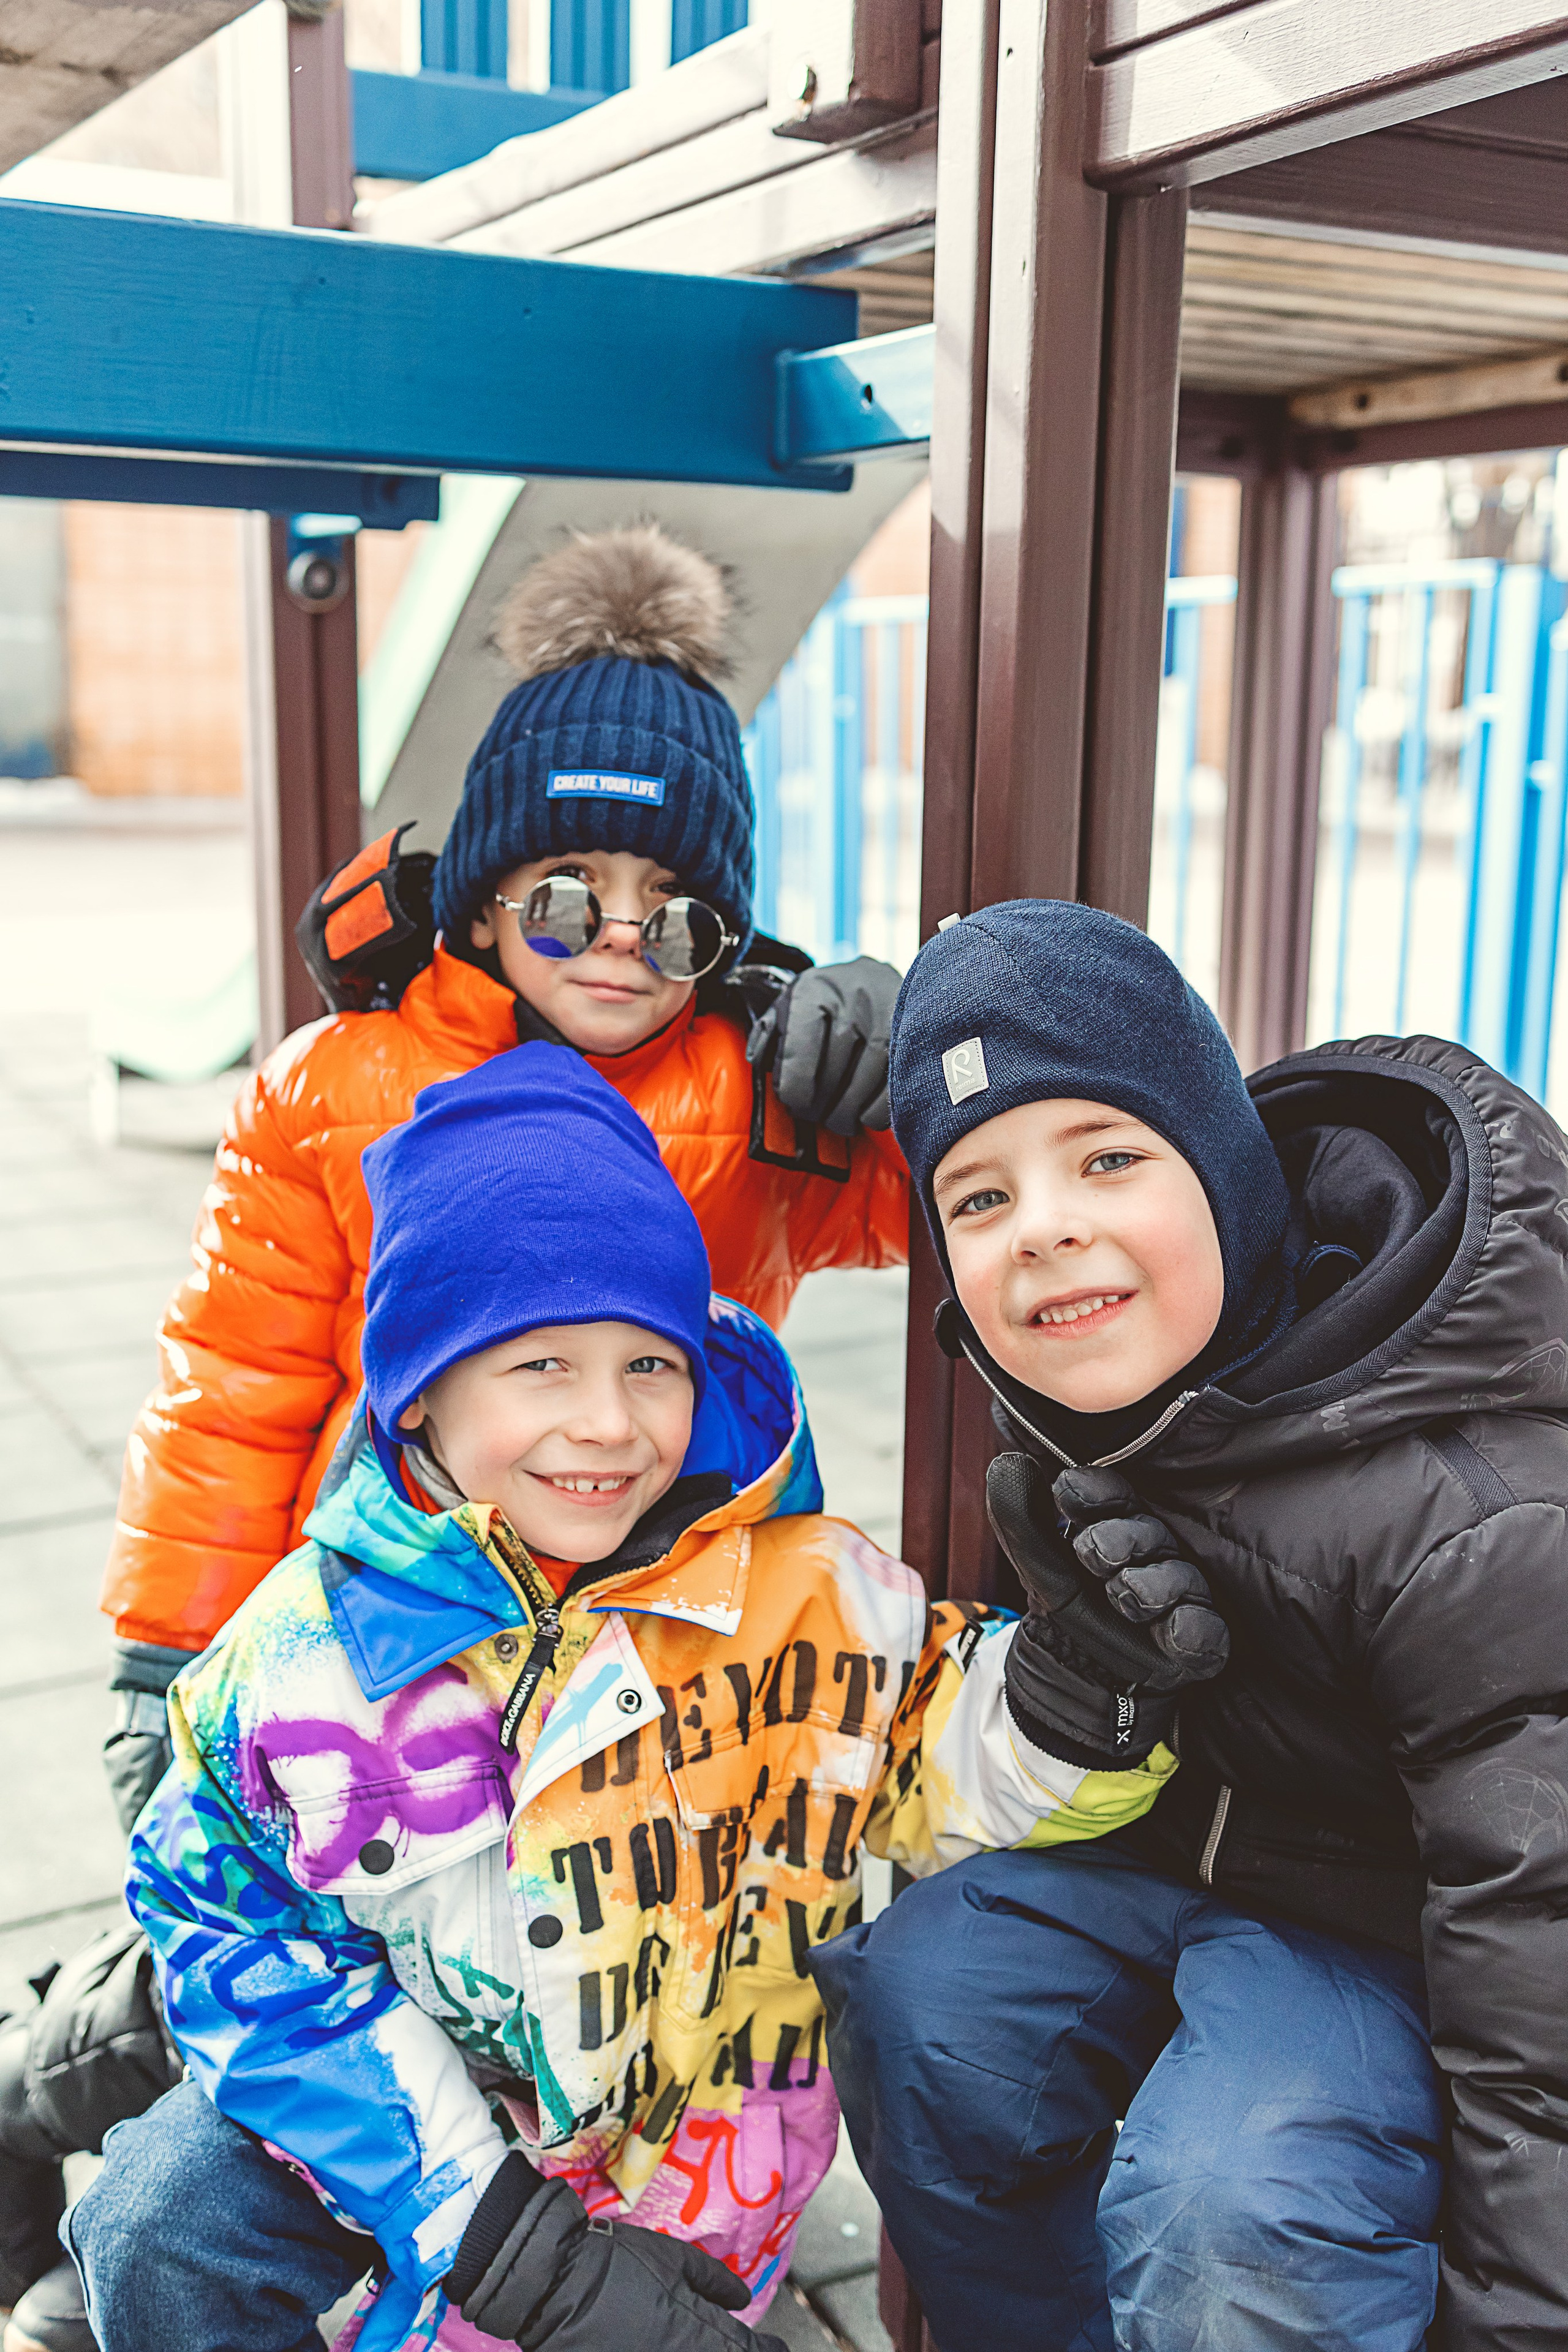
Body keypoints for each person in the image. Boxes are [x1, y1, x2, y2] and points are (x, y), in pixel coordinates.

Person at [0, 526, 910, 2352]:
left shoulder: (753, 1095)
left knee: (458, 1987)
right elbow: (237, 1382)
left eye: (677, 909)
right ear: (484, 899)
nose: (622, 940)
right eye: (566, 895)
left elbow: (960, 1201)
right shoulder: (339, 1084)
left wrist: (907, 1038)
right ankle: (45, 2151)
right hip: (362, 1633)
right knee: (220, 1979)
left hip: (603, 1653)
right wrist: (168, 1652)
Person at [67, 1044, 1205, 2352]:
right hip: (421, 2169)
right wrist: (494, 2235)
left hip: (684, 2189)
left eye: (650, 1365)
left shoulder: (801, 1595)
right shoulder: (295, 1666)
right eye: (540, 1366)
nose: (609, 1423)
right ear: (420, 1394)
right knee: (156, 2221)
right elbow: (234, 1945)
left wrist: (1082, 1695)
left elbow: (951, 1761)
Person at [812, 898, 1568, 2352]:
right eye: (978, 1198)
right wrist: (1078, 1691)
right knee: (924, 2000)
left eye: (1105, 1157)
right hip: (1198, 1860)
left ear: (1227, 1176)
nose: (1045, 1226)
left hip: (1409, 1937)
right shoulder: (1107, 1383)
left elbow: (1543, 1977)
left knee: (1226, 2200)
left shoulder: (1466, 1513)